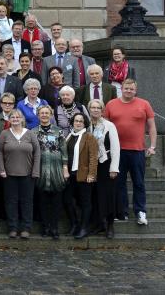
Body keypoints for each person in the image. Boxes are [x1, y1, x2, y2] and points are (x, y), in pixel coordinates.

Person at [104, 79, 156, 225]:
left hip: (138, 150)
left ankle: (141, 212)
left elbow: (151, 127)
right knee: (119, 183)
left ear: (135, 90)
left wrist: (152, 145)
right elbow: (104, 127)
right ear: (122, 89)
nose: (128, 91)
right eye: (126, 88)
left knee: (138, 182)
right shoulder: (111, 104)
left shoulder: (144, 104)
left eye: (131, 89)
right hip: (117, 151)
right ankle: (122, 211)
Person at [0, 108, 40, 239]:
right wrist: (1, 169)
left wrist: (35, 171)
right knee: (11, 201)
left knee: (27, 201)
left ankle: (26, 228)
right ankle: (13, 227)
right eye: (12, 117)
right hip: (9, 174)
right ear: (9, 120)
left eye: (17, 117)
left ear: (22, 119)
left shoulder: (30, 134)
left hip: (27, 174)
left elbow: (37, 153)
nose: (15, 119)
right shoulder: (4, 134)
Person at [87, 98, 120, 239]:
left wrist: (114, 168)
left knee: (108, 195)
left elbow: (115, 148)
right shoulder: (86, 126)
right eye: (93, 107)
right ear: (89, 109)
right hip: (91, 164)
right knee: (94, 195)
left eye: (98, 108)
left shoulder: (109, 125)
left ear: (102, 110)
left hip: (106, 162)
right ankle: (99, 224)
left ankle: (110, 225)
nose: (95, 110)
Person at [34, 105, 69, 239]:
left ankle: (54, 228)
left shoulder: (58, 131)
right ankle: (45, 227)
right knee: (42, 201)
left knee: (56, 200)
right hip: (41, 168)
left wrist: (65, 168)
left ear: (50, 115)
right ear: (38, 115)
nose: (44, 115)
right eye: (41, 113)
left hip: (56, 168)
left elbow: (64, 150)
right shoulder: (33, 132)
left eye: (46, 113)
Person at [64, 112, 98, 240]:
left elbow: (93, 157)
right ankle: (74, 224)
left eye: (80, 121)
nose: (77, 123)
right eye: (76, 121)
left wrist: (92, 174)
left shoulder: (89, 137)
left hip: (84, 175)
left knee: (85, 203)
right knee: (67, 200)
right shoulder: (69, 136)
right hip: (70, 175)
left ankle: (84, 228)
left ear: (85, 123)